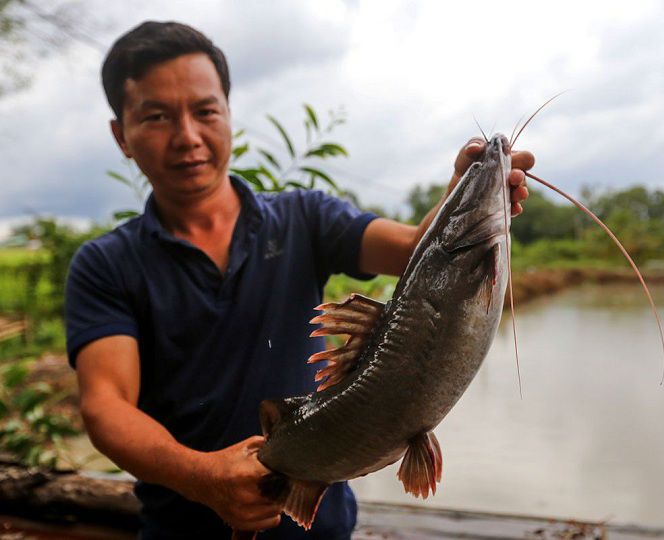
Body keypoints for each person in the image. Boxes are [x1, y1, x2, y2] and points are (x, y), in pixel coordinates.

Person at [65, 21, 534, 540]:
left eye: (205, 110)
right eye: (156, 116)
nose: (188, 137)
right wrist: (203, 477)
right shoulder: (104, 264)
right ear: (120, 137)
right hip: (180, 527)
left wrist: (464, 189)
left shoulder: (305, 216)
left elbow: (410, 251)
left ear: (228, 114)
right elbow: (106, 405)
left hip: (322, 528)